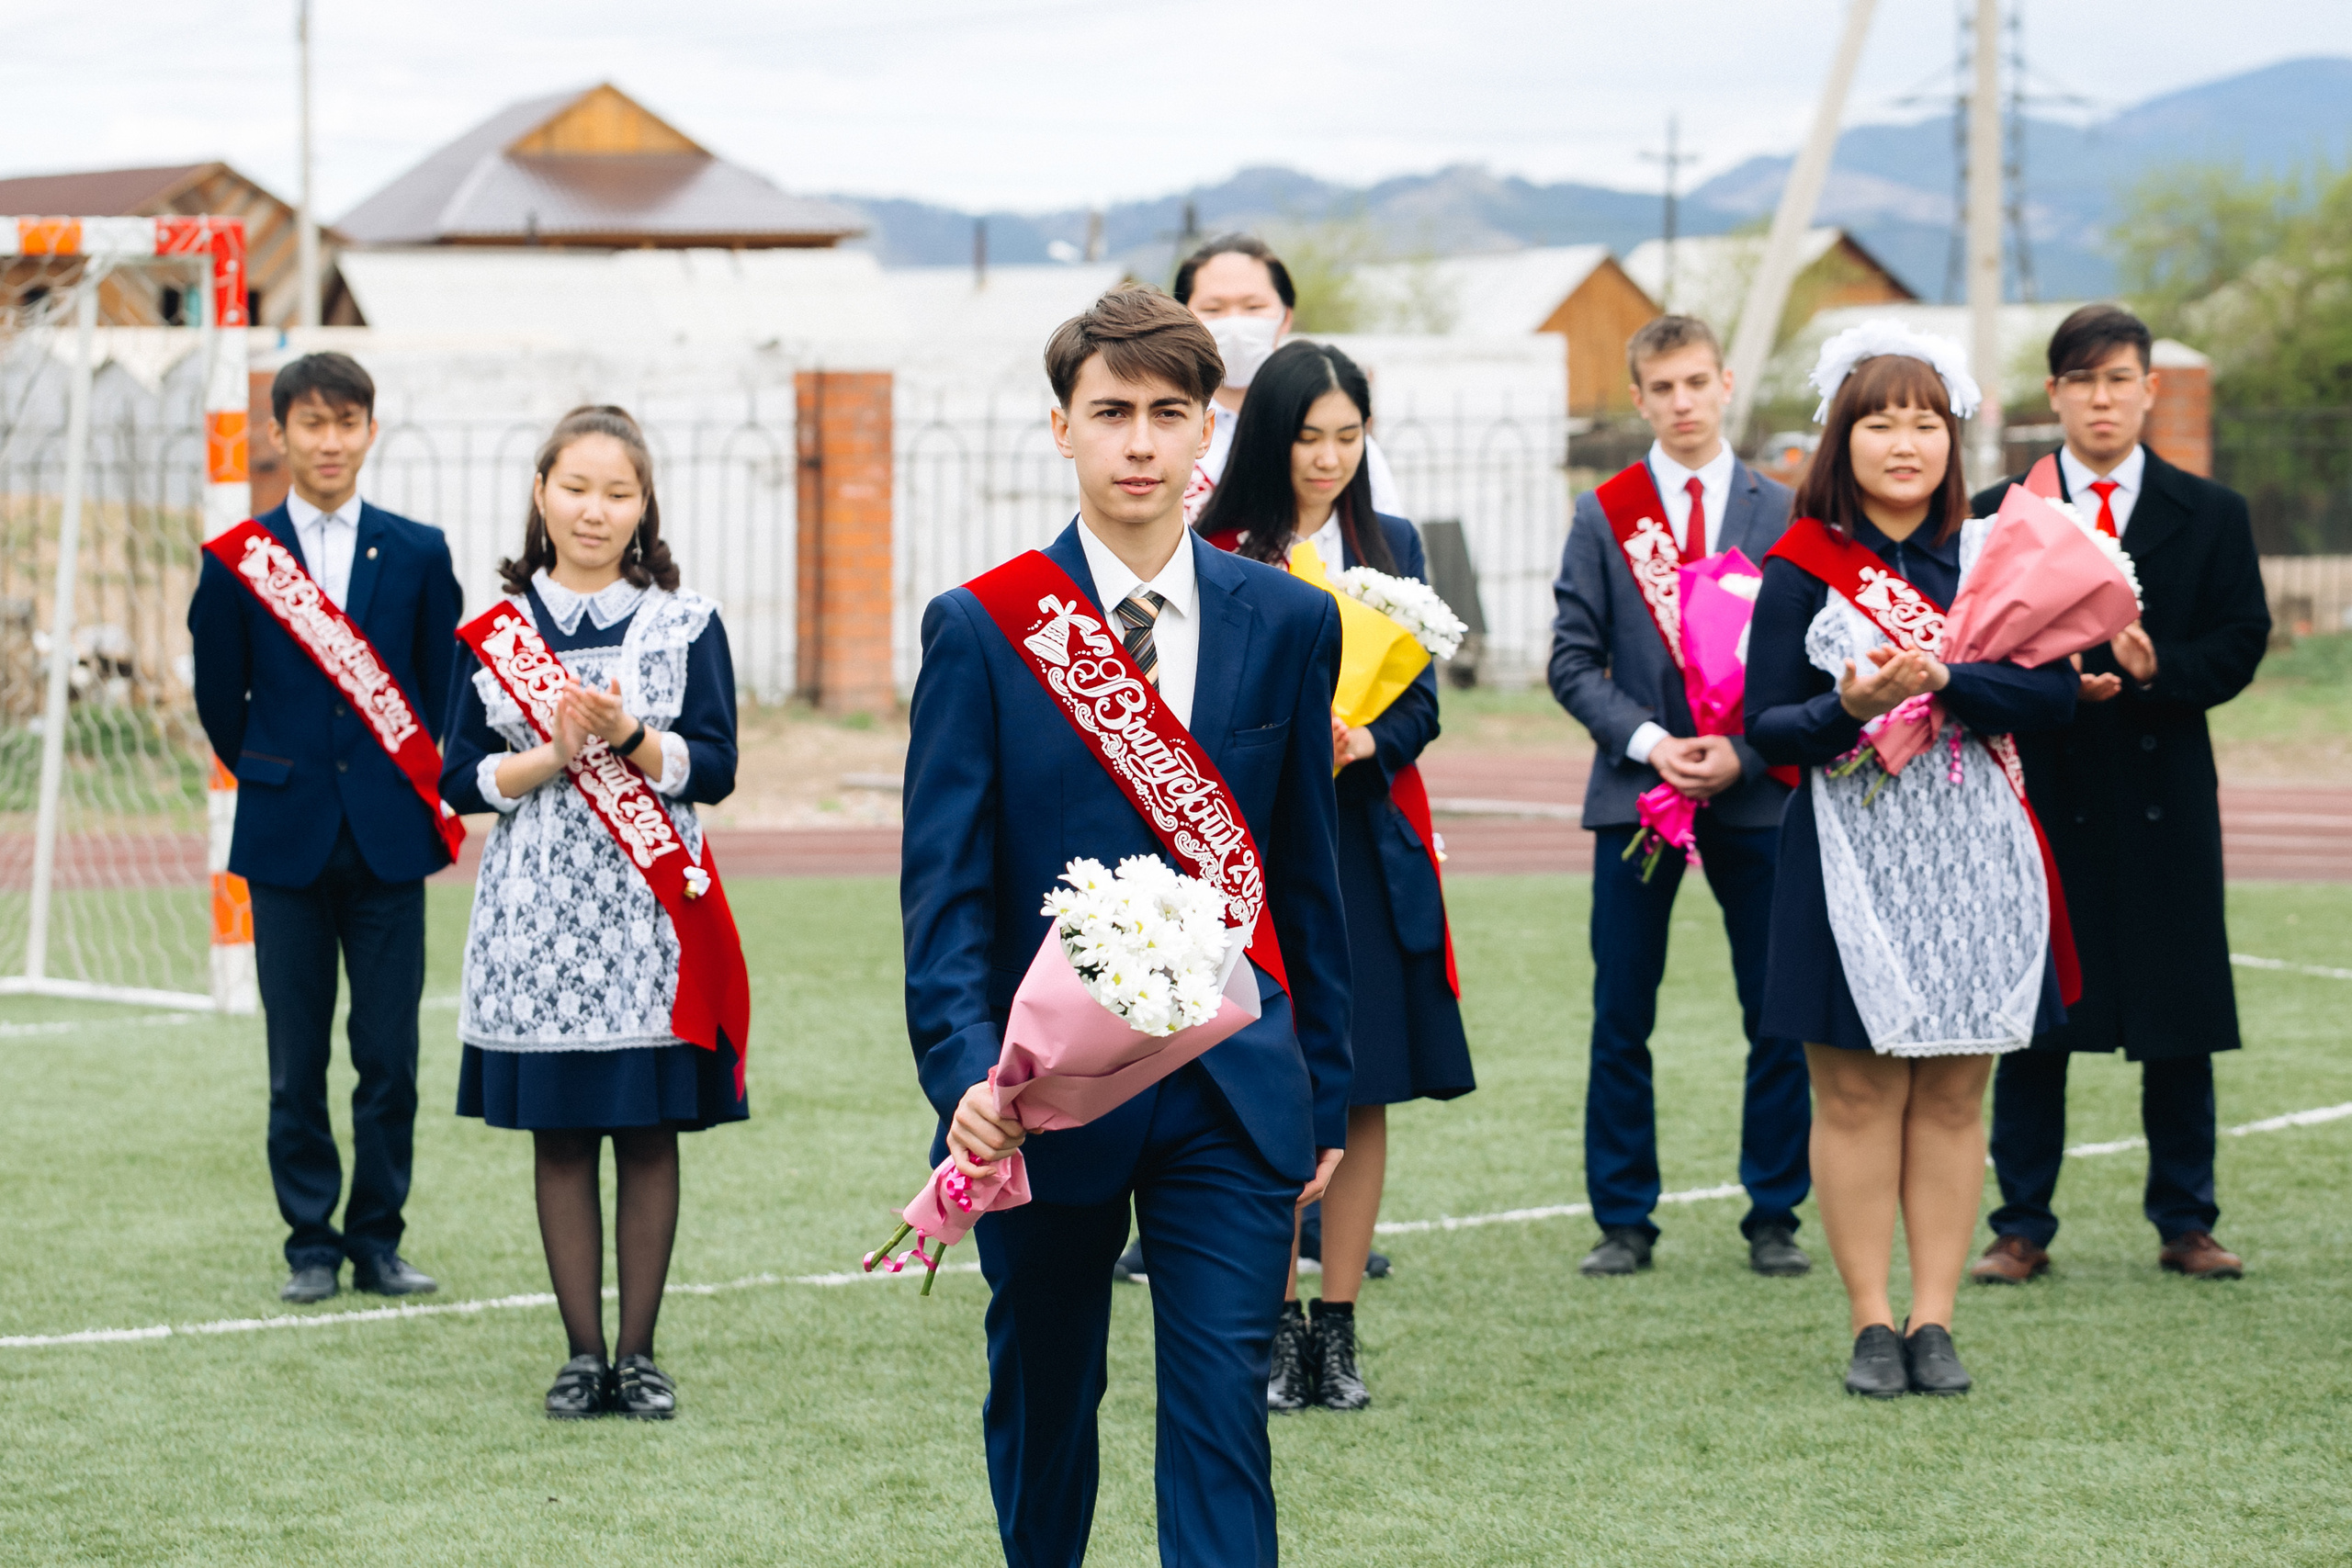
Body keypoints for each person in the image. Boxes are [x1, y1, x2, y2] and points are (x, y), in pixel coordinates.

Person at [901, 287, 1351, 1564]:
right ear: (1063, 429)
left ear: (1208, 428)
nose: (1140, 442)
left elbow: (1307, 877)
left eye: (1169, 412)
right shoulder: (985, 627)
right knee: (1048, 1403)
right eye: (1112, 413)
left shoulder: (1289, 620)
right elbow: (943, 895)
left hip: (1235, 1086)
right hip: (1049, 1098)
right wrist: (962, 1081)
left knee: (1222, 1412)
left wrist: (1324, 1089)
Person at [1746, 327, 2078, 1397]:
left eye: (1925, 420)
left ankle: (1935, 1319)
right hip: (1847, 854)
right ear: (1841, 438)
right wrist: (1848, 706)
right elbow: (1766, 727)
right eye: (1880, 420)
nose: (1904, 441)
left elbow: (2056, 692)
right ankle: (1870, 1321)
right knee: (1851, 1099)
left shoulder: (1994, 558)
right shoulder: (1798, 566)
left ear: (1954, 437)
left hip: (1974, 849)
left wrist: (1949, 682)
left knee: (1950, 1092)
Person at [439, 405, 746, 1420]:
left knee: (648, 1130)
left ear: (643, 505)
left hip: (654, 917)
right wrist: (557, 756)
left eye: (618, 493)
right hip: (536, 917)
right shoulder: (495, 633)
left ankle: (640, 1353)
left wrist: (634, 738)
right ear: (541, 494)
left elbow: (718, 765)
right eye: (575, 488)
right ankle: (580, 1355)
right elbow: (458, 781)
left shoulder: (688, 620)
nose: (594, 510)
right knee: (562, 1137)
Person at [1196, 339, 1475, 1414]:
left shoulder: (1390, 542)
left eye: (1348, 437)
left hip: (1360, 843)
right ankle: (1269, 1331)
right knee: (1265, 1074)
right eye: (1308, 437)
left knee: (1357, 1087)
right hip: (1247, 851)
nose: (1328, 458)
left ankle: (1337, 1331)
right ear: (1268, 436)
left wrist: (1364, 742)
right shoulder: (1215, 544)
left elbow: (1424, 704)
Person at [1967, 305, 2270, 1286]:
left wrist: (2156, 667)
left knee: (2178, 1015)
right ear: (2052, 394)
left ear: (2148, 389)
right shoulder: (2000, 509)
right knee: (2036, 1016)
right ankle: (2019, 1225)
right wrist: (2050, 685)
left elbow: (2239, 640)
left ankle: (2185, 1221)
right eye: (2082, 380)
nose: (2102, 398)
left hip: (2164, 788)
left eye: (2119, 378)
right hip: (2044, 789)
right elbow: (1968, 641)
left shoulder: (2210, 511)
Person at [188, 352, 460, 1304]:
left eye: (347, 423)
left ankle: (378, 1238)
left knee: (389, 1057)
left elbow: (438, 693)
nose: (330, 441)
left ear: (370, 432)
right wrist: (280, 769)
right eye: (312, 423)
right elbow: (221, 701)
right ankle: (310, 1240)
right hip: (286, 835)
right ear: (279, 435)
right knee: (295, 1056)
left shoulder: (419, 551)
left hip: (391, 839)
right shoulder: (239, 561)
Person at [1546, 315, 1810, 1280]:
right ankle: (1623, 1217)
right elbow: (1571, 661)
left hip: (1755, 791)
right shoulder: (1603, 513)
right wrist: (1653, 744)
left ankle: (1773, 1212)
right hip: (1636, 794)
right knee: (1622, 1011)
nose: (1682, 402)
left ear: (1726, 382)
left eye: (1696, 382)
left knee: (1775, 1010)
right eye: (1662, 388)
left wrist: (1744, 751)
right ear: (1639, 397)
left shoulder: (1782, 510)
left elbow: (1810, 665)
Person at [1172, 232, 1403, 524]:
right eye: (1213, 309)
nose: (1235, 324)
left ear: (1285, 316)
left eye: (1253, 307)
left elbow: (1381, 535)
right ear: (1182, 317)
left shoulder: (1333, 428)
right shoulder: (1163, 426)